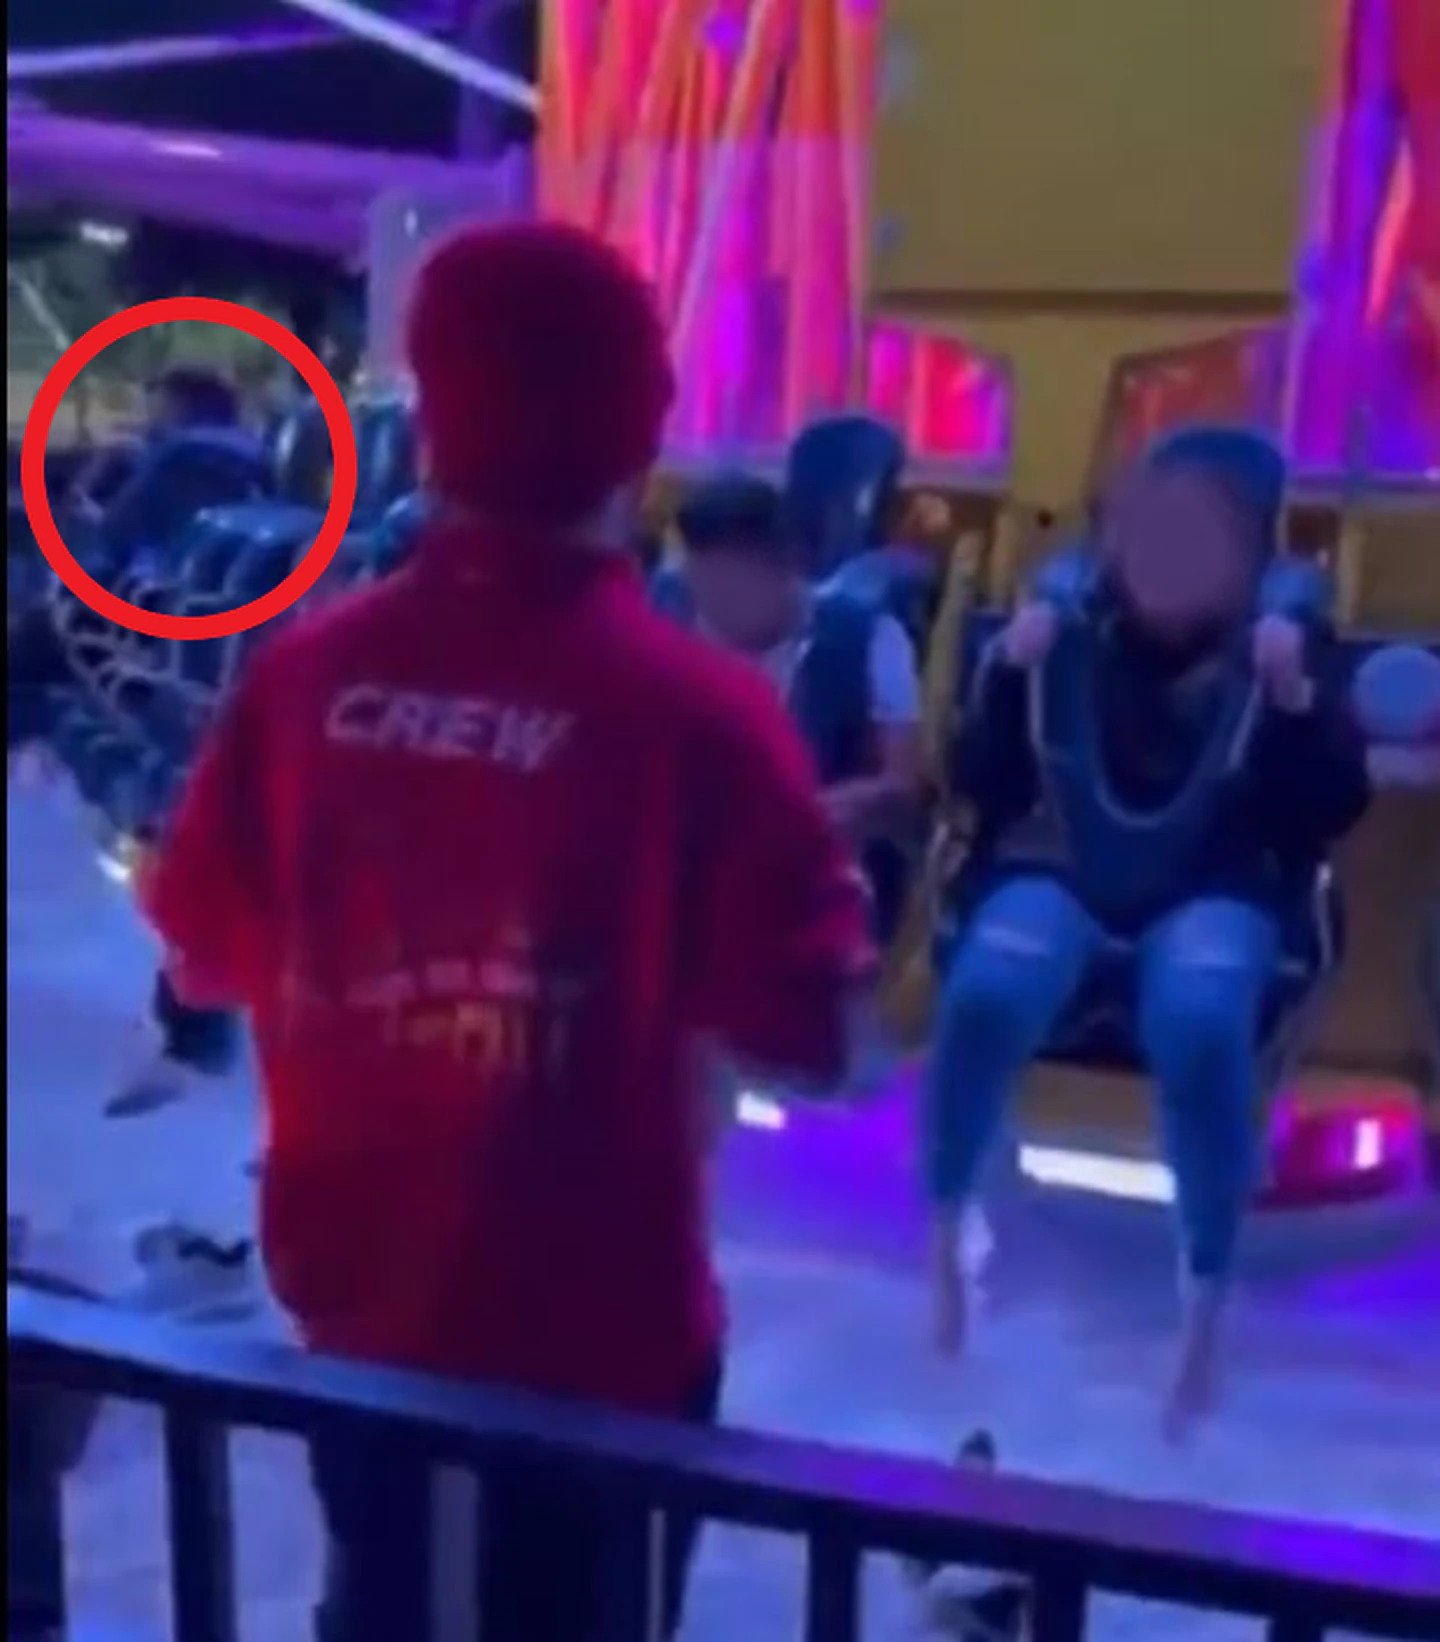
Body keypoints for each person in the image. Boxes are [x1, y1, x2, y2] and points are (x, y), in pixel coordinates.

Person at [141, 222, 875, 1642]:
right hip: (605, 1353)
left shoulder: (304, 676)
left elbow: (202, 957)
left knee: (385, 1600)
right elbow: (824, 1047)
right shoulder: (703, 716)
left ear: (432, 426)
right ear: (640, 438)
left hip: (359, 1320)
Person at [927, 426, 1371, 1437]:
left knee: (1201, 1019)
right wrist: (1004, 675)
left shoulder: (1284, 644)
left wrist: (1296, 702)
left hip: (1218, 878)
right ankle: (948, 1242)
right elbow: (980, 783)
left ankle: (1203, 1307)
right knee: (989, 987)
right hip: (1067, 867)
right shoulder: (1065, 629)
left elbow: (1331, 809)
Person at [671, 471, 926, 938]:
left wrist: (854, 804)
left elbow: (904, 786)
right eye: (702, 590)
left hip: (823, 874)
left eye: (730, 590)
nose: (713, 610)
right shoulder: (673, 639)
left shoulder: (870, 639)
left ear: (784, 569)